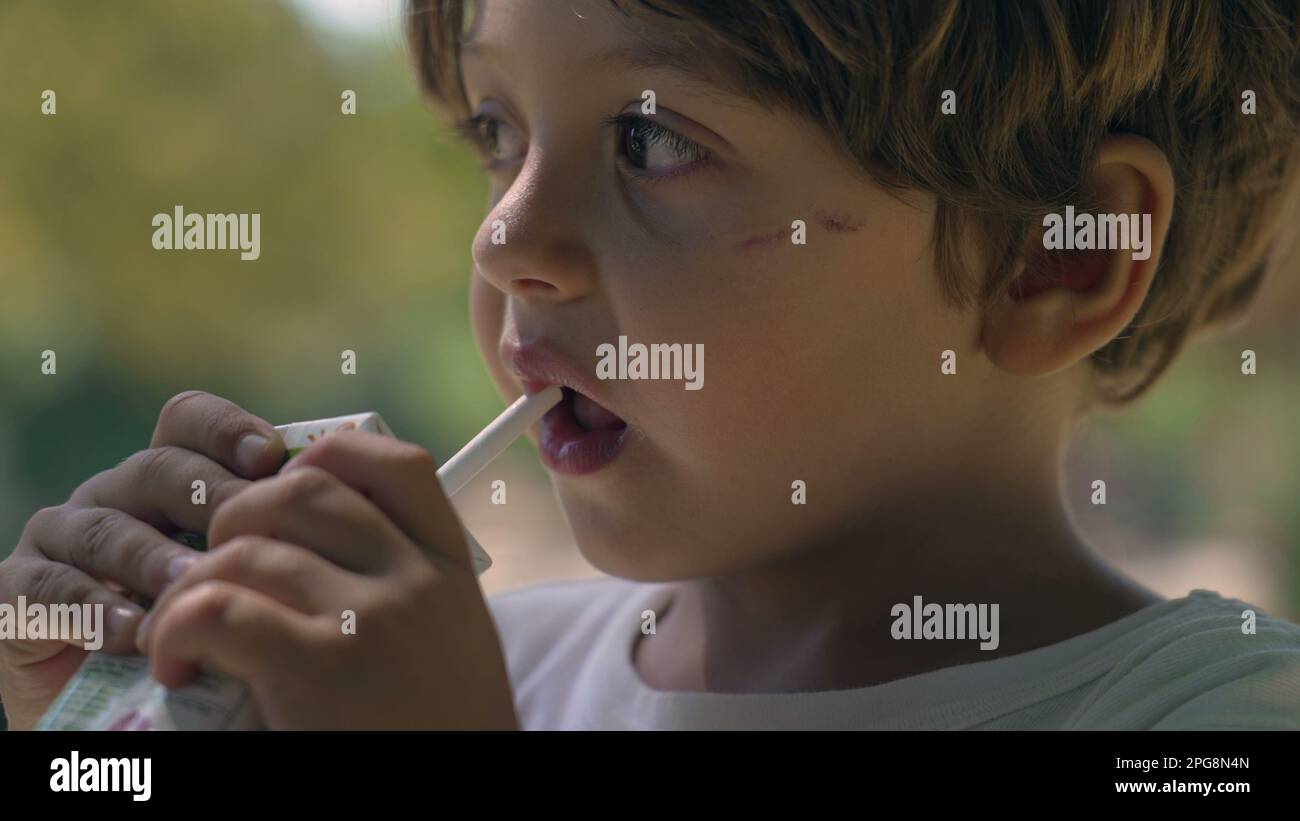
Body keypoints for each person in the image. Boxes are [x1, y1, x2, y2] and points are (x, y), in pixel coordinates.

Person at [3, 0, 1299, 729]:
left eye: (653, 141)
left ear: (1053, 258)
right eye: (498, 132)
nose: (506, 236)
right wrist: (80, 728)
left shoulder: (1209, 719)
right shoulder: (454, 673)